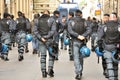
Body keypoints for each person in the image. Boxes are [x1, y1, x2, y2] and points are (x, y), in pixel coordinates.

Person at [68, 10, 91, 80]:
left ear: (75, 14)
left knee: (76, 57)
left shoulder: (71, 22)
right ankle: (80, 72)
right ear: (81, 14)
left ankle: (78, 72)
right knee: (81, 57)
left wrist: (77, 36)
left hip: (75, 41)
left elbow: (70, 31)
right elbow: (89, 30)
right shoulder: (85, 22)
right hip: (82, 42)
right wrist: (83, 36)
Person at [34, 10, 56, 78]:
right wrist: (47, 37)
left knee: (43, 56)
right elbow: (53, 31)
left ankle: (43, 72)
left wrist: (41, 38)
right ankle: (50, 70)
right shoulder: (52, 20)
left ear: (42, 14)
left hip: (41, 41)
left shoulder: (37, 20)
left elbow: (35, 31)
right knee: (51, 55)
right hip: (49, 40)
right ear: (49, 14)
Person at [97, 12, 119, 80]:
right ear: (116, 18)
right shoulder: (119, 26)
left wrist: (100, 47)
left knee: (109, 63)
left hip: (107, 47)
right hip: (116, 47)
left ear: (110, 18)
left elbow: (99, 37)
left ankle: (111, 78)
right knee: (115, 63)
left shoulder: (104, 26)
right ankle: (115, 77)